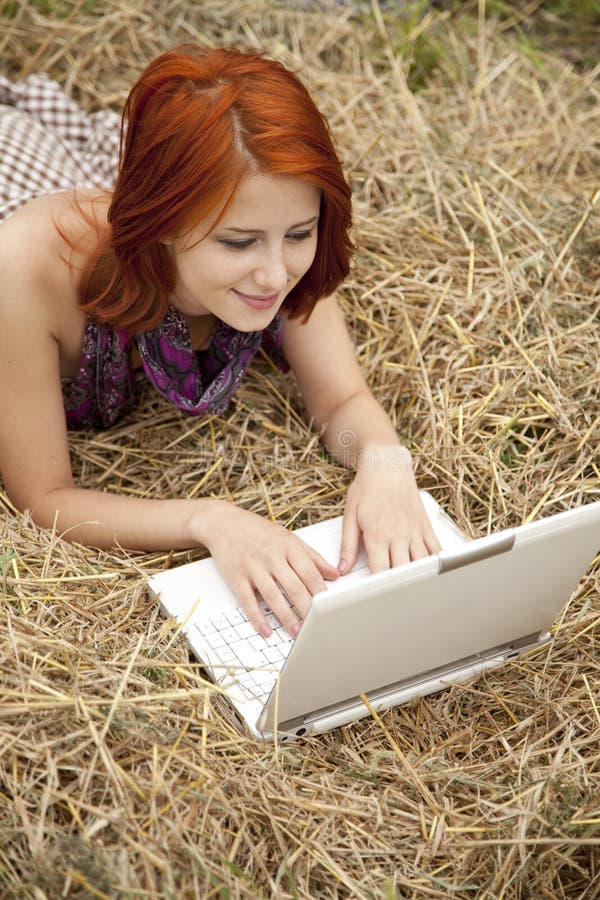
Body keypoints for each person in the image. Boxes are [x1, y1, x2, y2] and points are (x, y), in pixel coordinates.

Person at [0, 45, 441, 638]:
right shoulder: (27, 271)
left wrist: (386, 464)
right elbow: (45, 497)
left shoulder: (276, 232)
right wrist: (211, 520)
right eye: (237, 243)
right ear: (162, 223)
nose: (275, 275)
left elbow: (339, 405)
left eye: (300, 234)